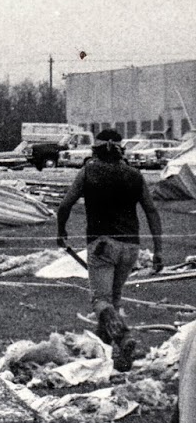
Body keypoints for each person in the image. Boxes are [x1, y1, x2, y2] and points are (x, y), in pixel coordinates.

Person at [56, 128, 163, 370]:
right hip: (131, 247)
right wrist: (158, 250)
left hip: (102, 245)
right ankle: (109, 354)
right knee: (113, 300)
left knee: (100, 300)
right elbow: (152, 212)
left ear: (96, 149)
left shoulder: (88, 172)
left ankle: (124, 337)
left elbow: (65, 205)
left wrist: (61, 231)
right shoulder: (135, 175)